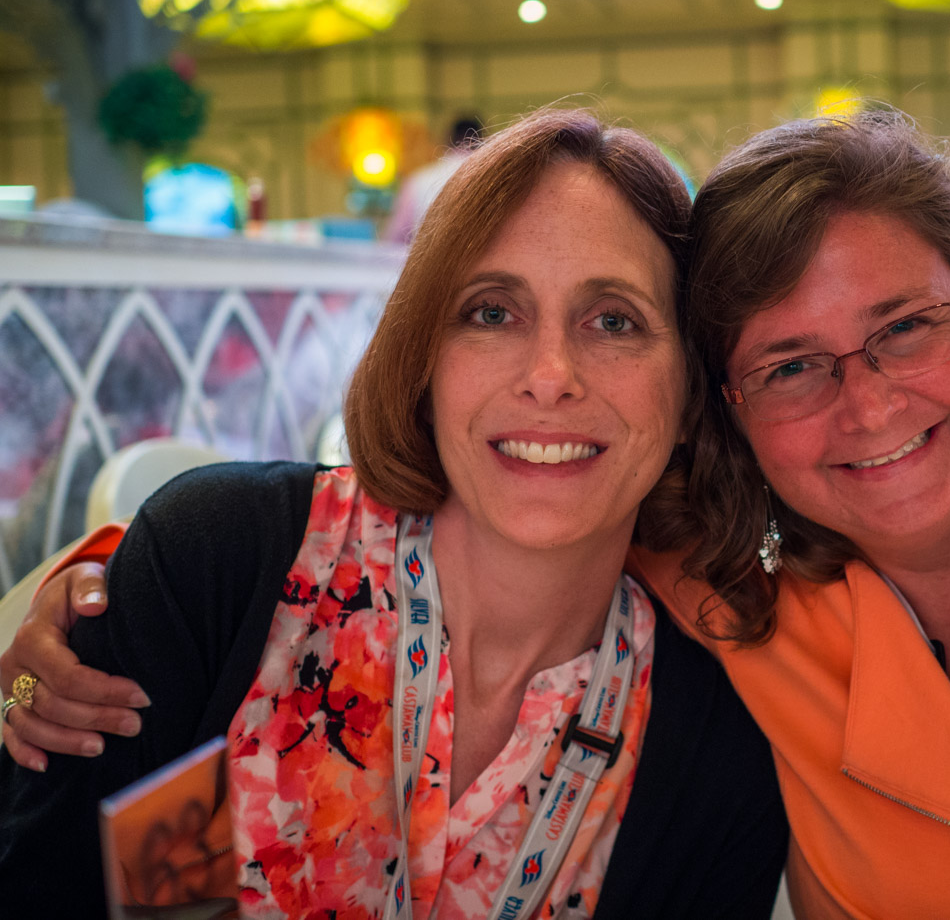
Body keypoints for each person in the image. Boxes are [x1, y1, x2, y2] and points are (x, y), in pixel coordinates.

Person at [13, 111, 950, 917]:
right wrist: (88, 586)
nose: (861, 401)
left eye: (616, 320)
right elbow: (88, 881)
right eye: (492, 311)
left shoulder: (712, 687)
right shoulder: (230, 573)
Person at [0, 109, 786, 919]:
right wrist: (15, 694)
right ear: (423, 358)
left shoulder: (716, 755)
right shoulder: (214, 565)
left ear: (690, 390)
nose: (551, 376)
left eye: (613, 321)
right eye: (491, 312)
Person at [385, 115, 485, 244]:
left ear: (448, 139)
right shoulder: (493, 180)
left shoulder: (419, 179)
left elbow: (398, 234)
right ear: (483, 140)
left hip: (425, 260)